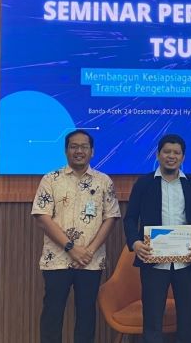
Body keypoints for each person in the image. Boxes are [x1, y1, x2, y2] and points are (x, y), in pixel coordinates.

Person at [31, 129, 121, 343]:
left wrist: (89, 251)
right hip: (57, 259)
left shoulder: (103, 181)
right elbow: (42, 217)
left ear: (92, 151)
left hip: (90, 260)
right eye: (74, 147)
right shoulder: (51, 179)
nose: (79, 151)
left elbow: (111, 217)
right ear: (66, 151)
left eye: (84, 147)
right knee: (52, 313)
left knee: (86, 314)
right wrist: (71, 248)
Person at [123, 134, 191, 343]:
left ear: (183, 157)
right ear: (158, 154)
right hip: (153, 262)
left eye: (176, 153)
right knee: (152, 320)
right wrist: (135, 243)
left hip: (186, 262)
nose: (171, 156)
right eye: (167, 152)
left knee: (188, 320)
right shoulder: (143, 184)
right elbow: (130, 219)